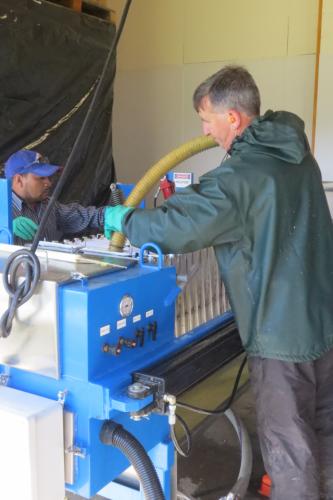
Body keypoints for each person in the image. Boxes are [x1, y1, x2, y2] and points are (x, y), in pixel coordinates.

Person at [104, 65, 333, 499]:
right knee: (323, 428)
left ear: (233, 118)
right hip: (322, 320)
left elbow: (182, 226)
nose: (205, 133)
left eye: (207, 120)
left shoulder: (242, 176)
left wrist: (129, 220)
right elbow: (221, 203)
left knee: (289, 446)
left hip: (280, 337)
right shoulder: (295, 156)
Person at [5, 149, 118, 245]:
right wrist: (5, 227)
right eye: (41, 178)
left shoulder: (49, 206)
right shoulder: (3, 209)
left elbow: (82, 216)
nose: (49, 183)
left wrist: (111, 216)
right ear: (19, 180)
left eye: (49, 178)